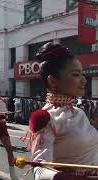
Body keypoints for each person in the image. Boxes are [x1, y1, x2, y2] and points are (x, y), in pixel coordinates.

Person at [27, 43, 98, 179]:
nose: (83, 80)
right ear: (53, 81)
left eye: (82, 74)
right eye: (76, 74)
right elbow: (39, 170)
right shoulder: (44, 118)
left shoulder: (79, 112)